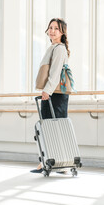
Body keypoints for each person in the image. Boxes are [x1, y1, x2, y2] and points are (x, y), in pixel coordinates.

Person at [31, 18, 72, 174]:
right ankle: (52, 162)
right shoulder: (53, 47)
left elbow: (55, 73)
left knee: (54, 127)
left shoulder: (59, 48)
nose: (52, 30)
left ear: (62, 32)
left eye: (56, 28)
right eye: (50, 27)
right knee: (50, 127)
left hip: (55, 93)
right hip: (53, 93)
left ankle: (60, 163)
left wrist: (47, 90)